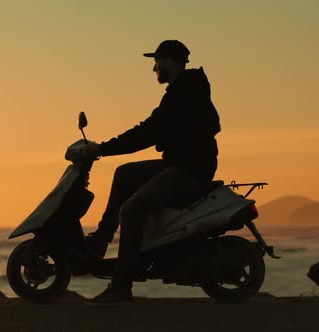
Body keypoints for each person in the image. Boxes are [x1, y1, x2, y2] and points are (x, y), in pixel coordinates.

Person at [86, 40, 221, 303]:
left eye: (156, 62)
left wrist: (103, 148)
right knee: (125, 174)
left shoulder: (184, 91)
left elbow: (149, 131)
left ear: (169, 60)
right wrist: (106, 148)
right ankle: (99, 243)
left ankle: (122, 286)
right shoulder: (185, 89)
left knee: (131, 210)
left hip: (188, 168)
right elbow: (157, 128)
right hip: (179, 162)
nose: (154, 69)